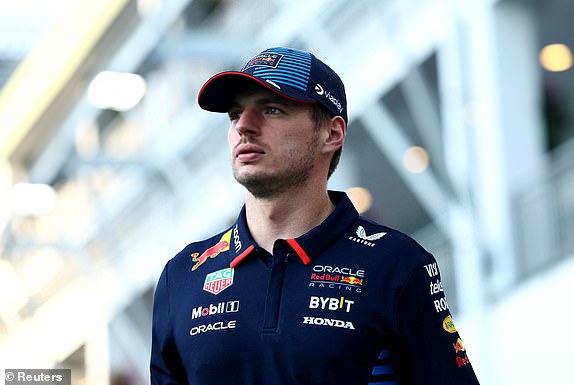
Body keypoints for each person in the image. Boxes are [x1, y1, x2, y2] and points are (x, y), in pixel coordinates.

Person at [150, 47, 481, 385]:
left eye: (273, 110)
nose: (244, 127)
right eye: (235, 114)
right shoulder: (183, 277)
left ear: (331, 134)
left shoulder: (396, 264)